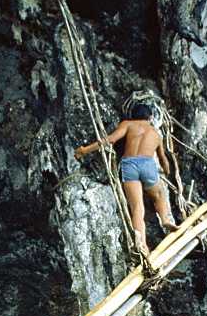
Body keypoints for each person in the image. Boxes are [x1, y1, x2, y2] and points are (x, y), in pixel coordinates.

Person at [74, 103, 178, 253]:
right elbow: (163, 159)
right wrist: (167, 170)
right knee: (159, 196)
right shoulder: (155, 133)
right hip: (148, 164)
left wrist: (85, 150)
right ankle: (165, 219)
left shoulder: (128, 124)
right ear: (150, 117)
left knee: (137, 209)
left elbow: (110, 139)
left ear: (133, 116)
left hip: (130, 164)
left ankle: (143, 246)